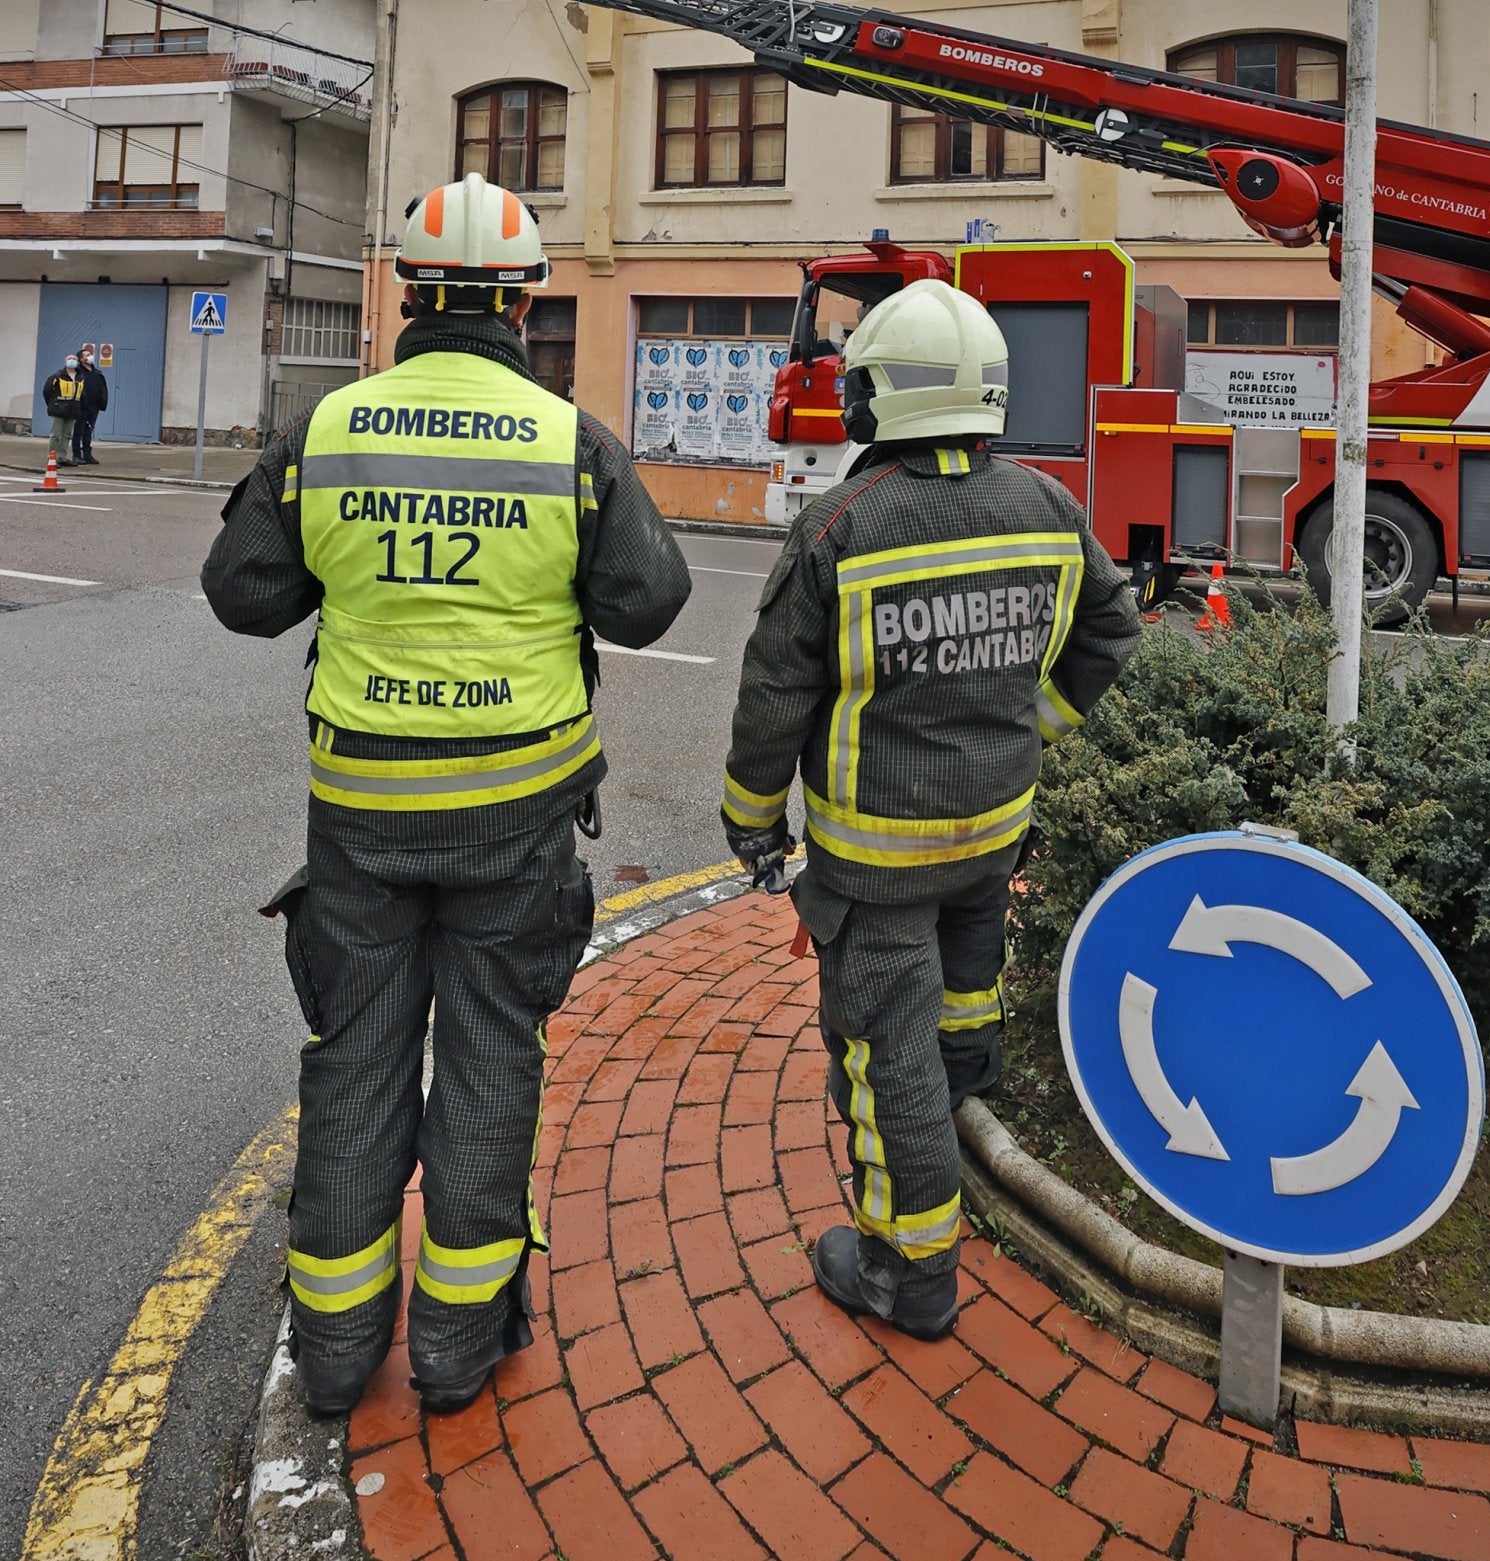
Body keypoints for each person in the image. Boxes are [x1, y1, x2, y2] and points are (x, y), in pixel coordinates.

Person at [202, 170, 691, 1420]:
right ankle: (457, 1349)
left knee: (354, 1057)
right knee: (490, 1058)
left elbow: (245, 595)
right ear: (525, 302)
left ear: (409, 292)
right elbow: (648, 604)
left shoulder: (330, 430)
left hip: (361, 821)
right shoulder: (569, 444)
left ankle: (330, 1351)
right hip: (517, 821)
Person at [718, 280, 1141, 1339]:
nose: (849, 402)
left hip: (876, 861)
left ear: (887, 398)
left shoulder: (843, 525)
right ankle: (968, 1105)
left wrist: (751, 820)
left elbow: (775, 702)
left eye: (860, 384)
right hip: (992, 831)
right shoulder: (1047, 505)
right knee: (963, 1001)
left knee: (881, 1052)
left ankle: (909, 1272)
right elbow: (1112, 631)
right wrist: (1034, 724)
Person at [41, 354, 82, 467]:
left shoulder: (80, 377)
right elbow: (47, 391)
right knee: (56, 435)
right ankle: (52, 458)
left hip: (73, 410)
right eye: (69, 359)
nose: (72, 361)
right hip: (59, 409)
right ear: (65, 362)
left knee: (67, 435)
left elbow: (82, 394)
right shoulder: (58, 376)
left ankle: (62, 457)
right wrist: (53, 405)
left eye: (74, 359)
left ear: (78, 362)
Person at [71, 343, 107, 464]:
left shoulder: (97, 373)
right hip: (81, 406)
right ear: (81, 359)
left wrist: (102, 401)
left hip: (94, 406)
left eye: (90, 354)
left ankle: (87, 454)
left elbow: (102, 388)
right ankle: (76, 455)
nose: (89, 357)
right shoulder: (78, 373)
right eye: (86, 355)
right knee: (78, 431)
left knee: (89, 431)